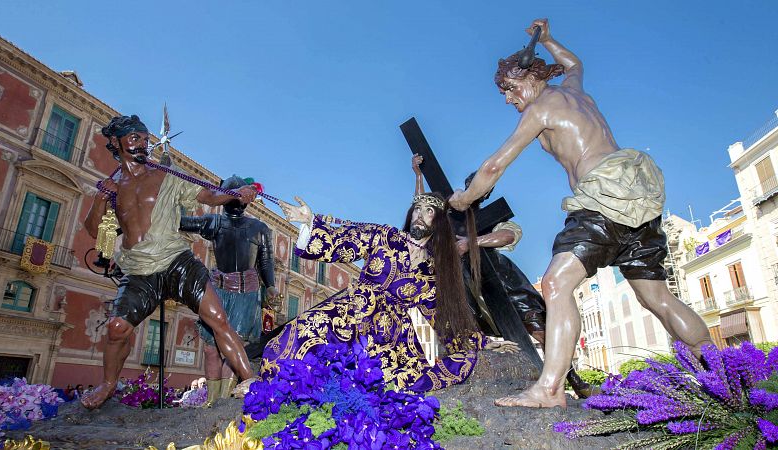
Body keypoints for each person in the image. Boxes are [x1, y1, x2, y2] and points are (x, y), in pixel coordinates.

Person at [449, 19, 712, 408]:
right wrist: (551, 39)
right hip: (638, 199)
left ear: (526, 79)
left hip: (602, 196)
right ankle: (722, 372)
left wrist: (462, 199)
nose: (507, 99)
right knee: (656, 296)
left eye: (508, 89)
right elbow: (575, 66)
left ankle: (550, 388)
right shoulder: (572, 91)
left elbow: (493, 168)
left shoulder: (540, 108)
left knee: (555, 284)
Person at [82, 115, 259, 409]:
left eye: (144, 138)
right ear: (116, 142)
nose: (143, 143)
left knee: (217, 318)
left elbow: (207, 195)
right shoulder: (112, 187)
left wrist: (235, 195)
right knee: (116, 329)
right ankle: (108, 384)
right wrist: (101, 198)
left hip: (178, 261)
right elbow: (94, 231)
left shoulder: (167, 174)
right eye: (135, 138)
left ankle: (249, 378)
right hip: (139, 269)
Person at [412, 155, 593, 397]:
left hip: (501, 280)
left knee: (539, 326)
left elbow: (508, 235)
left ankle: (571, 377)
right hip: (463, 284)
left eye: (483, 190)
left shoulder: (493, 215)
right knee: (462, 330)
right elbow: (423, 209)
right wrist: (419, 176)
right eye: (473, 186)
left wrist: (471, 242)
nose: (477, 192)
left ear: (487, 194)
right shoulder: (449, 216)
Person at [270, 193, 482, 392]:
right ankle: (274, 382)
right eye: (417, 209)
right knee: (309, 324)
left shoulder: (434, 269)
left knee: (384, 374)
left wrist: (482, 341)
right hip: (355, 311)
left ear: (438, 222)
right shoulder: (385, 236)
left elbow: (437, 315)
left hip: (393, 335)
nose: (420, 215)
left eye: (429, 211)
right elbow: (345, 243)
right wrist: (309, 222)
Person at [180, 175, 279, 405]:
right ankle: (211, 400)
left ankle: (223, 401)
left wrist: (271, 286)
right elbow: (180, 222)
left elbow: (266, 261)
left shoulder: (259, 228)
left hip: (247, 293)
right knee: (210, 349)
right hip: (218, 290)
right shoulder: (214, 223)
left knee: (233, 351)